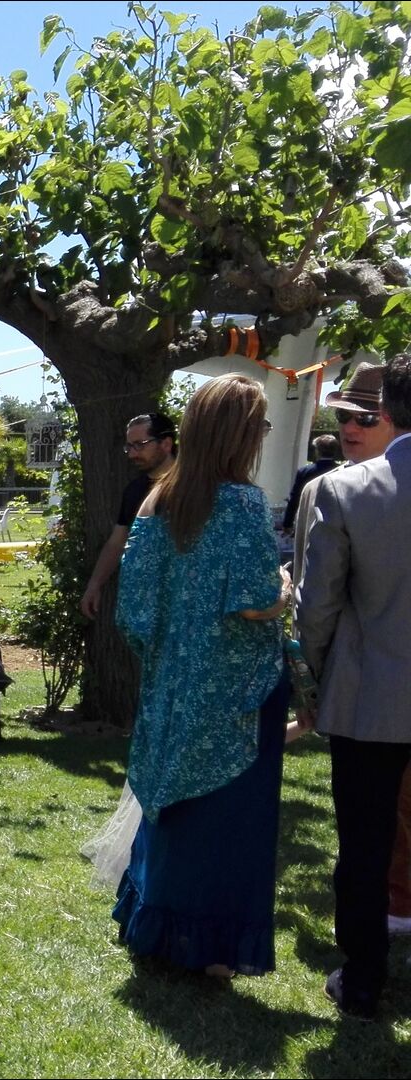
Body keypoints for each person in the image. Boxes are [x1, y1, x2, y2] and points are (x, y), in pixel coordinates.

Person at [112, 373, 290, 980]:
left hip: (171, 684)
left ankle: (154, 927)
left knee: (169, 807)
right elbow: (256, 601)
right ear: (242, 436)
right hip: (234, 690)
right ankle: (211, 948)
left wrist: (170, 654)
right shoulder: (241, 503)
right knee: (226, 822)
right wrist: (284, 588)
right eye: (261, 427)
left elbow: (133, 609)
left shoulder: (158, 499)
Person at [297, 354, 411, 1020]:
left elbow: (318, 606)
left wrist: (313, 677)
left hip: (370, 698)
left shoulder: (346, 490)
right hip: (371, 693)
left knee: (364, 847)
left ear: (388, 409)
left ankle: (363, 980)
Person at [80, 412, 177, 619]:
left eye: (140, 445)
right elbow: (117, 542)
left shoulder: (194, 485)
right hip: (149, 606)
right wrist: (94, 585)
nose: (132, 454)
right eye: (129, 447)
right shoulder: (134, 491)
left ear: (166, 444)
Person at [283, 433, 342, 535]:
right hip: (337, 521)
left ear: (317, 451)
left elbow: (295, 498)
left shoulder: (305, 472)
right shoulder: (343, 471)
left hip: (309, 519)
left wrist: (287, 523)